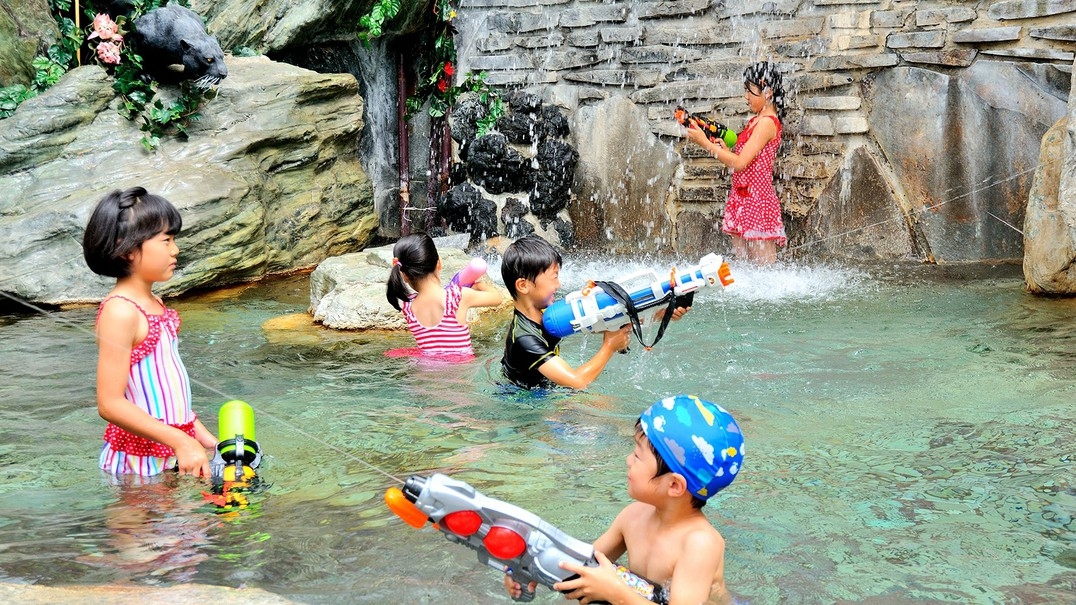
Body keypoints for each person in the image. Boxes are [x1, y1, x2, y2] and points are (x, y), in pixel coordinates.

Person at [505, 394, 745, 604]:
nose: (628, 461)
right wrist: (530, 568)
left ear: (674, 484)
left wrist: (615, 592)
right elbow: (581, 564)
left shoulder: (699, 544)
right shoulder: (634, 516)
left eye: (638, 456)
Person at [83, 187, 217, 478]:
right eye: (166, 240)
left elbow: (167, 393)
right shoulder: (120, 311)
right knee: (137, 524)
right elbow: (110, 403)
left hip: (170, 452)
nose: (175, 249)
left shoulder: (154, 304)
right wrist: (181, 440)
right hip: (136, 464)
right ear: (127, 248)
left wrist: (202, 438)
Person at [685, 61, 787, 265]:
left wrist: (706, 144)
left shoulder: (767, 122)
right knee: (744, 269)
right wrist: (724, 150)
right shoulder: (755, 121)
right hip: (742, 198)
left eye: (749, 91)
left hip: (758, 201)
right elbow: (744, 162)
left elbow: (739, 164)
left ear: (767, 91)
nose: (746, 97)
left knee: (762, 272)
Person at [498, 235, 632, 390]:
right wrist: (609, 346)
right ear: (523, 286)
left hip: (544, 390)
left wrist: (648, 315)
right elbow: (577, 382)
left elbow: (594, 319)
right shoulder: (524, 339)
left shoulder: (547, 316)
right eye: (554, 278)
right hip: (523, 400)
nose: (558, 285)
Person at [386, 233, 503, 357]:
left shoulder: (408, 306)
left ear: (404, 276)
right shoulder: (457, 297)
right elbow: (497, 298)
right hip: (459, 373)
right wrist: (479, 286)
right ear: (439, 264)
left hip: (425, 371)